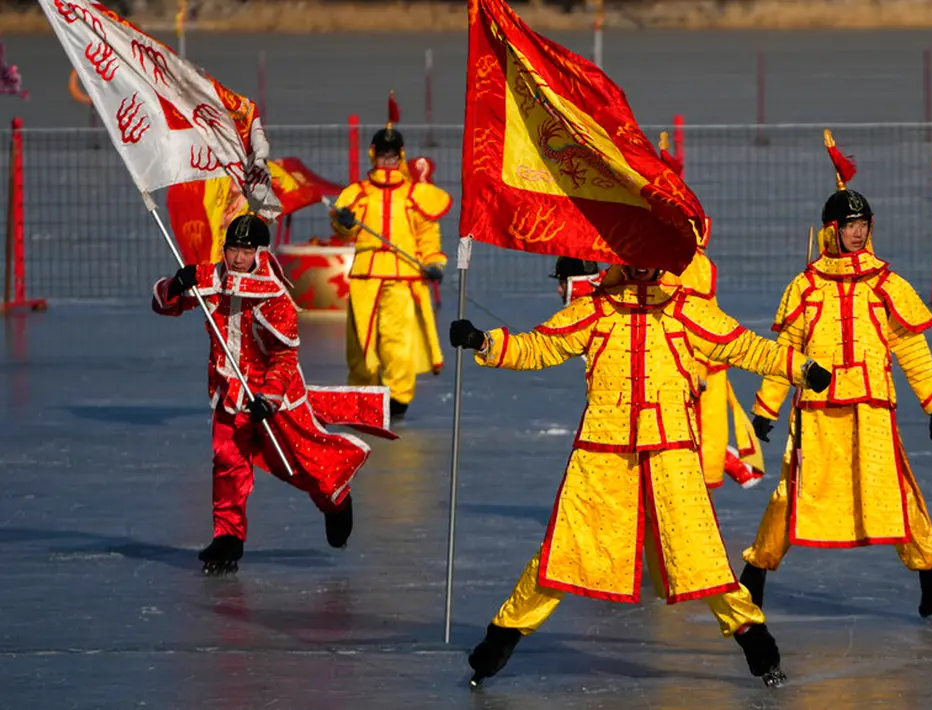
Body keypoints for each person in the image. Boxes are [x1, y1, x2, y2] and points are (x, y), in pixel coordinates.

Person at [451, 263, 833, 688]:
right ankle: (498, 643)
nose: (641, 261)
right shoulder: (595, 309)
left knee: (700, 555)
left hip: (672, 452)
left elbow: (745, 346)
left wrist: (801, 367)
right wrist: (483, 342)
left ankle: (759, 647)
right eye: (632, 250)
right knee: (564, 550)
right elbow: (539, 346)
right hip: (602, 453)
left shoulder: (688, 308)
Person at [737, 188, 932, 624]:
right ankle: (755, 573)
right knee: (793, 493)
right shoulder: (805, 286)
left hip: (872, 410)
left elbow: (911, 347)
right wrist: (766, 409)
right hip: (817, 413)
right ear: (831, 231)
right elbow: (786, 353)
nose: (857, 233)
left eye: (863, 225)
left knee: (894, 492)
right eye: (849, 226)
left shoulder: (885, 284)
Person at [152, 215, 397, 575]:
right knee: (227, 461)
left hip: (275, 398)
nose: (237, 257)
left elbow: (284, 358)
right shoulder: (210, 277)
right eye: (232, 248)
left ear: (259, 251)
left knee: (303, 466)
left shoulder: (276, 298)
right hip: (228, 393)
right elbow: (163, 304)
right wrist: (175, 284)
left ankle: (335, 500)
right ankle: (228, 538)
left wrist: (268, 397)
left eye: (245, 250)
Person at [331, 93, 452, 419]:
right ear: (373, 155)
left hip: (402, 274)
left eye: (391, 155)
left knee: (397, 341)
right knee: (360, 340)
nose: (386, 160)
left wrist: (435, 263)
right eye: (381, 154)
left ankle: (397, 399)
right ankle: (362, 392)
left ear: (399, 156)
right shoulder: (356, 193)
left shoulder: (414, 195)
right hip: (366, 275)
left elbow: (429, 235)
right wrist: (342, 223)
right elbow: (345, 231)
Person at [678, 219, 767, 489]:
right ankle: (735, 465)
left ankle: (734, 465)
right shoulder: (696, 264)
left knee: (698, 440)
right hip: (704, 361)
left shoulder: (689, 266)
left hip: (698, 364)